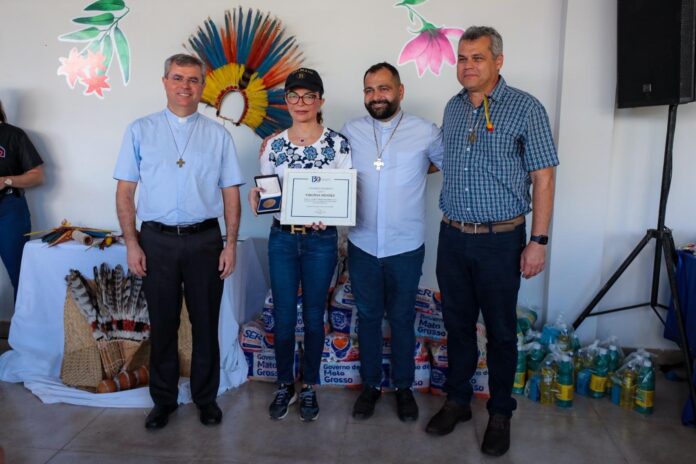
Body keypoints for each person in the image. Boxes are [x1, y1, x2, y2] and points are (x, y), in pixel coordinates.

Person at [428, 26, 558, 457]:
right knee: (457, 327)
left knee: (501, 332)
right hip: (452, 235)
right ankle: (459, 401)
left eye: (477, 58)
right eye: (463, 58)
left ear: (498, 61)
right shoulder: (453, 106)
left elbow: (543, 176)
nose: (467, 66)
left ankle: (500, 411)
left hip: (500, 241)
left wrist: (537, 240)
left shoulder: (526, 108)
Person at [114, 54, 243, 430]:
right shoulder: (140, 130)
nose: (185, 86)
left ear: (203, 86)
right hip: (157, 241)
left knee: (206, 325)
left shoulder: (218, 134)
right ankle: (164, 401)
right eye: (177, 78)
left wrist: (230, 243)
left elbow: (231, 194)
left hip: (204, 240)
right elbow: (125, 194)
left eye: (193, 79)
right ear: (164, 81)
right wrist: (132, 244)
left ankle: (206, 399)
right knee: (163, 324)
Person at [341, 62, 443, 422]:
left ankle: (403, 388)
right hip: (363, 243)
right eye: (369, 90)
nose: (376, 96)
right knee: (368, 318)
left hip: (406, 245)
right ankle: (370, 386)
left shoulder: (426, 132)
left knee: (401, 319)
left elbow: (442, 164)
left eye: (384, 88)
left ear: (400, 91)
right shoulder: (350, 131)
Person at [249, 68, 351, 422]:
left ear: (320, 100)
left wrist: (331, 214)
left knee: (312, 316)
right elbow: (270, 197)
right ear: (286, 101)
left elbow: (344, 195)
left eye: (309, 96)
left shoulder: (338, 144)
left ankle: (308, 385)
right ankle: (283, 384)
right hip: (282, 238)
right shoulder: (273, 145)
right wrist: (258, 198)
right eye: (294, 95)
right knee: (283, 315)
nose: (301, 103)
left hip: (321, 241)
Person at [0, 99, 44, 302]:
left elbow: (37, 175)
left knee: (20, 273)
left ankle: (22, 331)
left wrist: (7, 180)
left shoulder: (14, 135)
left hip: (9, 209)